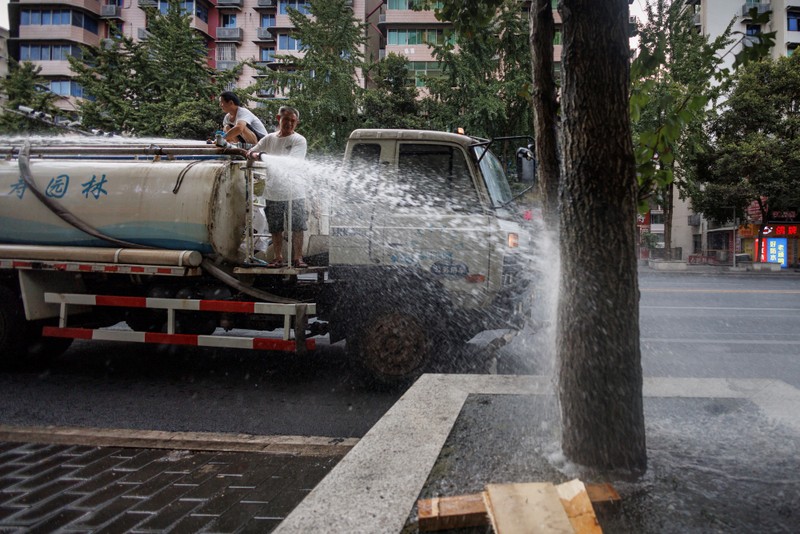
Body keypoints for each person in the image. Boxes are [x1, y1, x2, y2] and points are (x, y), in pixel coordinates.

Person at [246, 106, 308, 269]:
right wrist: (253, 155)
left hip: (295, 191)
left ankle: (298, 258)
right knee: (275, 227)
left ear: (297, 122)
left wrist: (262, 156)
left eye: (293, 121)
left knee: (298, 226)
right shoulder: (269, 139)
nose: (289, 124)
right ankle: (278, 257)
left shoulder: (298, 140)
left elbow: (291, 163)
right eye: (286, 120)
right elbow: (251, 152)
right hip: (273, 191)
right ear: (278, 118)